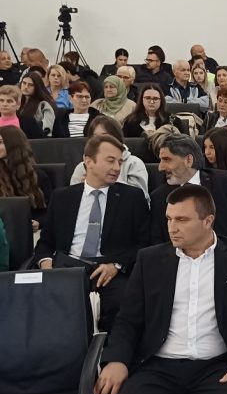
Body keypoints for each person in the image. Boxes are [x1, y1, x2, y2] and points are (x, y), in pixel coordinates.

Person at [95, 184, 227, 394]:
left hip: (217, 367)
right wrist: (117, 360)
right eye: (169, 218)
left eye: (182, 220)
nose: (171, 227)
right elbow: (128, 320)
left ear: (208, 221)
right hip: (157, 367)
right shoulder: (149, 259)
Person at [34, 135, 150, 331]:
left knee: (124, 304)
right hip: (67, 267)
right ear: (88, 161)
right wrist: (46, 264)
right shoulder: (63, 197)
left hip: (109, 270)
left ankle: (109, 349)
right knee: (42, 303)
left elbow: (144, 243)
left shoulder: (132, 197)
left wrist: (117, 265)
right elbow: (46, 242)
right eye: (110, 160)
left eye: (120, 162)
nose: (116, 168)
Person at [149, 134, 227, 272]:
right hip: (182, 267)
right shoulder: (159, 197)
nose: (160, 167)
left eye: (167, 159)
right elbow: (157, 242)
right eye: (160, 160)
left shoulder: (222, 182)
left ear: (189, 160)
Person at [70, 116, 148, 198]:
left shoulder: (134, 163)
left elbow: (140, 198)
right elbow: (72, 198)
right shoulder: (82, 166)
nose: (99, 141)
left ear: (117, 138)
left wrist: (103, 182)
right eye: (94, 137)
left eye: (105, 136)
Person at [0, 126, 50, 226]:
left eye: (0, 142)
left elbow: (52, 210)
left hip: (29, 228)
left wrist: (39, 222)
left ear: (12, 144)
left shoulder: (37, 176)